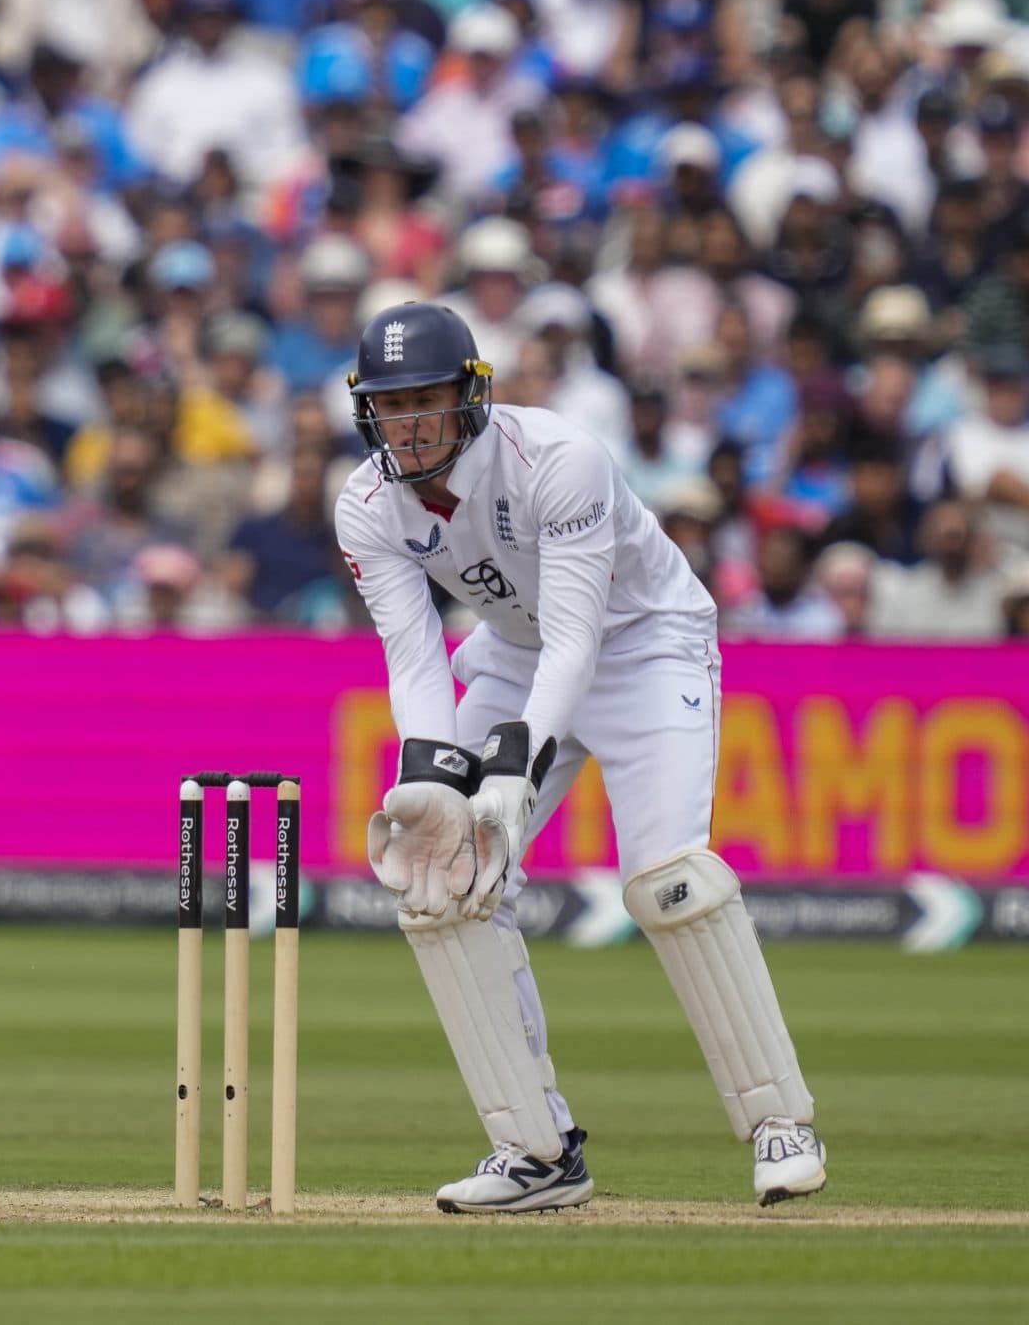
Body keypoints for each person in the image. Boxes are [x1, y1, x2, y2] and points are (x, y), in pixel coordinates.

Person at [335, 300, 827, 1213]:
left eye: (427, 401)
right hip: (509, 656)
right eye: (390, 406)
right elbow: (415, 659)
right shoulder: (365, 504)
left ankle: (779, 1122)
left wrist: (516, 780)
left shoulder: (559, 459)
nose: (408, 426)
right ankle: (535, 1151)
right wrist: (434, 778)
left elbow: (577, 641)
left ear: (470, 396)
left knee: (671, 882)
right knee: (444, 882)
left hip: (645, 646)